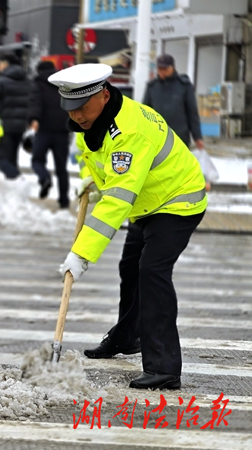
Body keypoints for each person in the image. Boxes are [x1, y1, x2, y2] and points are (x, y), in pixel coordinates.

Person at [49, 64, 207, 390]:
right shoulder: (93, 121)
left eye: (82, 108)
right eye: (71, 109)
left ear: (104, 95)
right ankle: (127, 337)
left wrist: (81, 255)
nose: (77, 116)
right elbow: (91, 154)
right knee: (130, 268)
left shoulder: (129, 133)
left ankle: (164, 367)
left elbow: (117, 200)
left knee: (152, 271)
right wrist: (90, 179)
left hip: (177, 201)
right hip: (146, 201)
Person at [28, 60, 71, 209]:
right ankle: (64, 201)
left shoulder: (38, 84)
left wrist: (34, 119)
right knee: (62, 169)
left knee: (37, 160)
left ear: (39, 71)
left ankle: (45, 178)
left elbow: (36, 102)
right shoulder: (63, 83)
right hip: (62, 131)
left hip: (44, 130)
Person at [143, 54, 204, 151]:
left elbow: (192, 113)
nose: (162, 72)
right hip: (157, 137)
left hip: (179, 137)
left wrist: (197, 137)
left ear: (173, 68)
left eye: (165, 69)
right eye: (160, 69)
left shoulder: (184, 86)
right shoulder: (152, 87)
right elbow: (145, 113)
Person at [0, 53, 30, 179]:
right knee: (12, 157)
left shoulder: (2, 82)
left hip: (6, 125)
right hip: (21, 125)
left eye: (0, 64)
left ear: (6, 64)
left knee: (2, 158)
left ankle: (18, 179)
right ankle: (15, 187)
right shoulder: (26, 81)